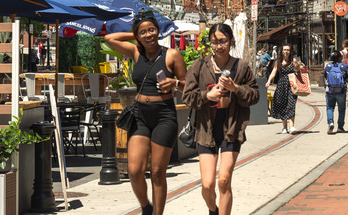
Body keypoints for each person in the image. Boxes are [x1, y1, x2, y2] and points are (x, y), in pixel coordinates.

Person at [103, 11, 187, 215]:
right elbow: (109, 38)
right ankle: (146, 207)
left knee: (158, 173)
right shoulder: (135, 52)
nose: (149, 35)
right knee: (134, 171)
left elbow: (189, 85)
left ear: (158, 31)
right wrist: (136, 35)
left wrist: (175, 83)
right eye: (144, 32)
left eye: (152, 30)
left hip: (164, 116)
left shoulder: (171, 55)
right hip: (140, 116)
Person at [183, 24, 259, 215]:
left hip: (231, 128)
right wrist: (207, 96)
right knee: (208, 185)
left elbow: (255, 95)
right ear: (210, 43)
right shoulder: (199, 66)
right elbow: (187, 97)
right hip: (206, 128)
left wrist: (236, 88)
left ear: (231, 41)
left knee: (224, 180)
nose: (219, 46)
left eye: (223, 41)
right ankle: (213, 210)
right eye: (215, 42)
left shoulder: (241, 67)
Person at [266, 44, 299, 134]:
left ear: (290, 51)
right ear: (281, 51)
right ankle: (285, 127)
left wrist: (297, 67)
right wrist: (269, 81)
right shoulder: (278, 62)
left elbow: (297, 71)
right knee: (282, 105)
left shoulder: (293, 61)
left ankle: (291, 126)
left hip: (292, 86)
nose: (286, 51)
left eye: (288, 50)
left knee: (291, 105)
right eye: (284, 50)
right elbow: (273, 72)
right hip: (281, 85)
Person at [324, 50, 348, 134]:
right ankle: (340, 127)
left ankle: (330, 122)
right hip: (341, 91)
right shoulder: (344, 66)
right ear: (339, 58)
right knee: (341, 109)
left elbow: (325, 76)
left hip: (330, 90)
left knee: (330, 107)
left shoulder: (328, 66)